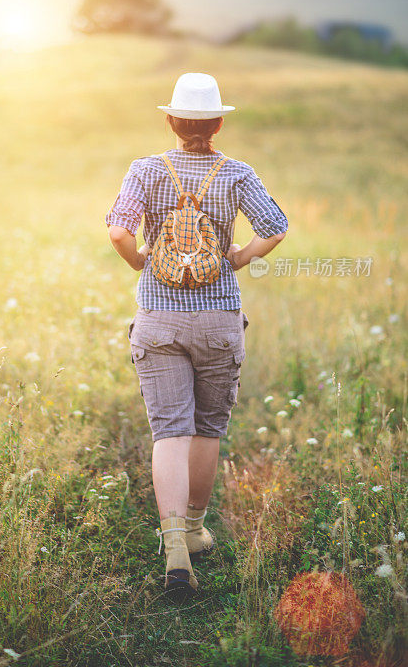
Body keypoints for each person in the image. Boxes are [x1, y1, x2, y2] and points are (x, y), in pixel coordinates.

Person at [105, 72, 288, 597]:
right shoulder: (236, 172)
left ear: (171, 120)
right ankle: (194, 528)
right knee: (207, 428)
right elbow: (274, 225)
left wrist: (141, 260)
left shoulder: (145, 169)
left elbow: (119, 230)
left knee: (170, 431)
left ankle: (174, 549)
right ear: (218, 122)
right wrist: (240, 256)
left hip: (159, 318)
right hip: (217, 318)